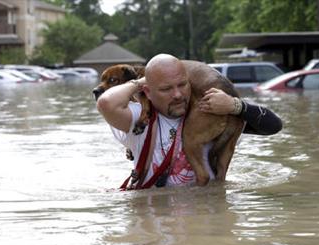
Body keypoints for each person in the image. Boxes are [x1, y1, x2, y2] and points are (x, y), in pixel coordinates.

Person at [97, 53, 282, 190]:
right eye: (166, 88)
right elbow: (106, 103)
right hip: (159, 217)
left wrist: (236, 106)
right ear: (148, 91)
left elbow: (274, 126)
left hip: (205, 220)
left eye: (182, 84)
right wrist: (141, 81)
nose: (177, 94)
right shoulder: (140, 120)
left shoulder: (211, 114)